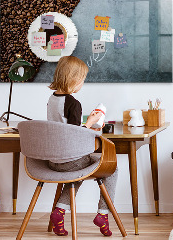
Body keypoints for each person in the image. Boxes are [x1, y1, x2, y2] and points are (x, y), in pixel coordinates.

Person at [47, 56, 117, 237]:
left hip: (53, 160)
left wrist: (86, 123)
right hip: (70, 160)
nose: (82, 83)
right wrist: (92, 122)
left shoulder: (52, 99)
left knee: (77, 171)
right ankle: (103, 214)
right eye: (82, 79)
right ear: (74, 79)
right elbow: (75, 135)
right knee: (112, 168)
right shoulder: (73, 103)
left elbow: (64, 128)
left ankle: (59, 212)